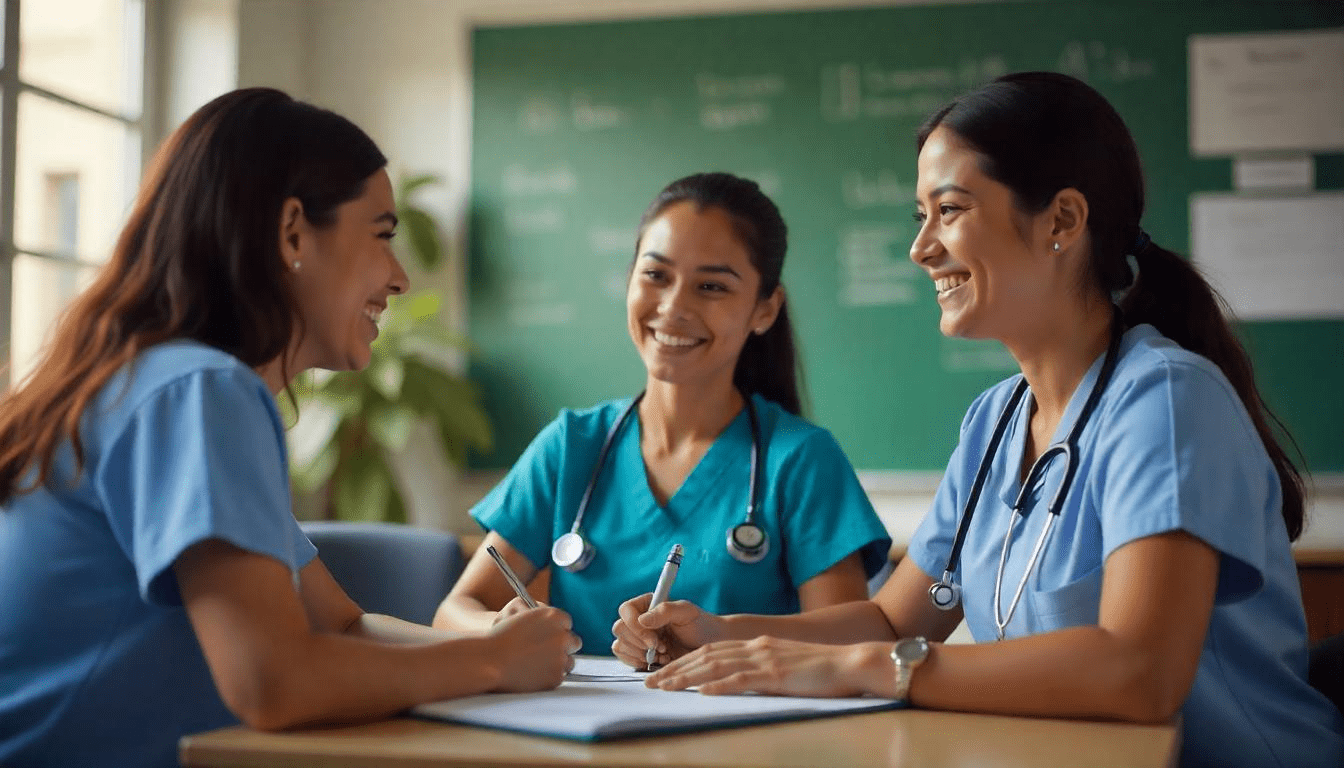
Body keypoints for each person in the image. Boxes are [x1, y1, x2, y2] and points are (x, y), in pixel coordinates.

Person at [612, 73, 1344, 768]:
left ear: (1062, 220)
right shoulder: (997, 421)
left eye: (950, 210)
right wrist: (724, 632)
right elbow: (897, 621)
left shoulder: (1168, 402)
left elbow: (1138, 672)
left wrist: (864, 669)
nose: (921, 247)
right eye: (920, 216)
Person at [0, 88, 577, 768]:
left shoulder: (159, 381)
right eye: (382, 236)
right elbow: (272, 683)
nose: (397, 277)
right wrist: (487, 664)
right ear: (293, 231)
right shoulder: (202, 393)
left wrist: (490, 650)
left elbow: (341, 622)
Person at [434, 172, 891, 656]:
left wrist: (720, 636)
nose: (673, 307)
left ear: (764, 309)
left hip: (745, 724)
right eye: (655, 275)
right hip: (577, 727)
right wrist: (495, 630)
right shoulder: (571, 446)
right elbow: (454, 610)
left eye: (712, 286)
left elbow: (851, 638)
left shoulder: (800, 459)